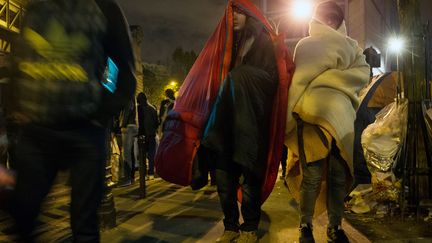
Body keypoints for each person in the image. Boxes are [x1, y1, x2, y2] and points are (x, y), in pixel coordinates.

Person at [7, 0, 136, 241]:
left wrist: (99, 113)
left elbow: (125, 71)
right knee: (23, 213)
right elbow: (18, 60)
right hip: (37, 128)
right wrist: (18, 107)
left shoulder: (104, 7)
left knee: (84, 222)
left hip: (84, 131)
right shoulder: (36, 7)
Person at [284, 1, 369, 242]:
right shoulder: (308, 46)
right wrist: (337, 79)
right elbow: (298, 80)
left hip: (335, 118)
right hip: (312, 118)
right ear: (319, 18)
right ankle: (306, 226)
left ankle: (334, 226)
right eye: (327, 16)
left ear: (339, 20)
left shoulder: (351, 47)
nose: (330, 21)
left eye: (335, 17)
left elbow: (363, 73)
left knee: (337, 177)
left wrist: (322, 79)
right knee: (312, 176)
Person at [201, 4, 279, 243]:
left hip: (251, 122)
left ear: (250, 15)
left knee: (250, 178)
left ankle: (250, 227)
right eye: (231, 13)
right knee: (224, 177)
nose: (233, 17)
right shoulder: (227, 44)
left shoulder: (263, 41)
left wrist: (240, 78)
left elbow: (272, 79)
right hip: (226, 123)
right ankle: (230, 226)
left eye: (239, 12)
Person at [136, 92, 159, 177]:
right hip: (151, 134)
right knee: (151, 154)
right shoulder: (152, 109)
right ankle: (151, 173)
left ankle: (143, 173)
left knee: (142, 154)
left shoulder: (138, 109)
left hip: (142, 134)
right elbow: (157, 122)